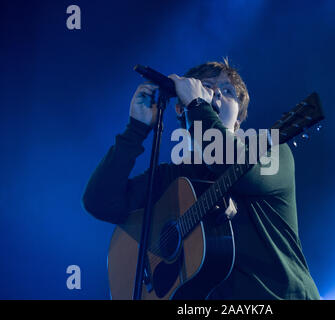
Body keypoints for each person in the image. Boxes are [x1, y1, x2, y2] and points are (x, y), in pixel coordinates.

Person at [82, 59, 320, 300]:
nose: (215, 95)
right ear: (180, 109)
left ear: (238, 119)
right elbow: (99, 202)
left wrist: (197, 102)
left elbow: (225, 159)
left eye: (227, 92)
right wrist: (135, 129)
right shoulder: (171, 178)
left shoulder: (269, 150)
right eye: (205, 87)